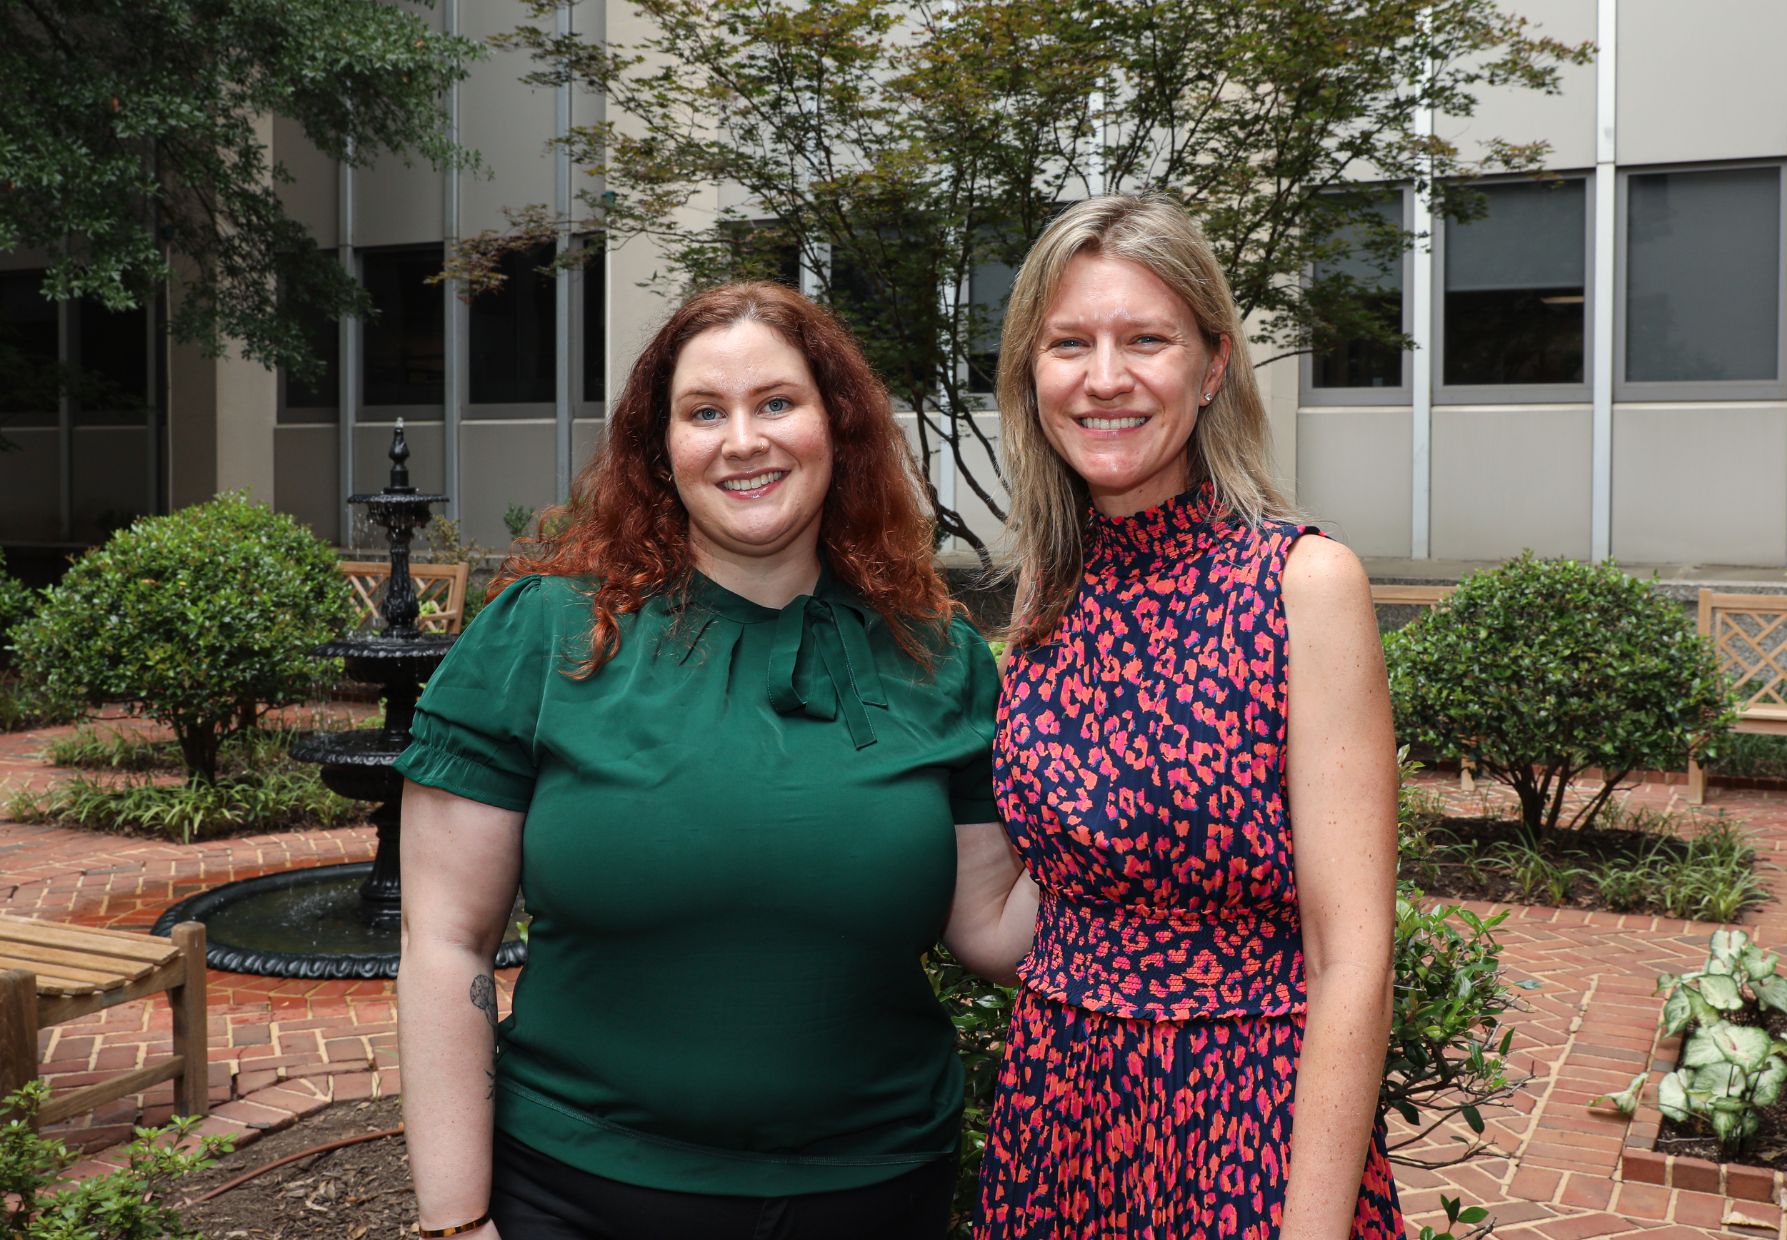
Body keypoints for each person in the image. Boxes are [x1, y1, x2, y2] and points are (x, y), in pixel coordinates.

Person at [393, 281, 1037, 1240]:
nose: (744, 440)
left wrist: (1177, 792)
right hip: (579, 1193)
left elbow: (992, 928)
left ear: (838, 426)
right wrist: (455, 1222)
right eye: (705, 412)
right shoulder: (546, 636)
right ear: (663, 449)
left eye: (777, 402)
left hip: (877, 1193)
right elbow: (445, 942)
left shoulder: (934, 659)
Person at [976, 195, 1404, 1239]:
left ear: (1212, 367)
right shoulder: (1046, 600)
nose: (1105, 376)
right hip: (1057, 1120)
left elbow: (1352, 954)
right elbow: (1048, 897)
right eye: (1069, 343)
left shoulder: (1305, 583)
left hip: (1245, 1119)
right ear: (1033, 378)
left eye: (1146, 340)